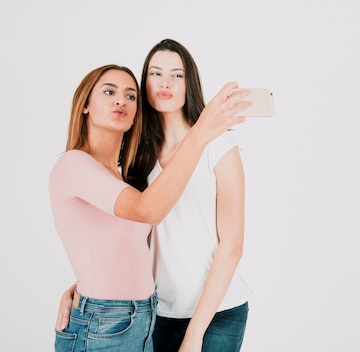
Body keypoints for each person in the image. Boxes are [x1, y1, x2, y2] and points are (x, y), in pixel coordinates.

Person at [50, 64, 248, 351]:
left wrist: (78, 288)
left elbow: (120, 250)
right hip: (105, 322)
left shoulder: (123, 174)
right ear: (85, 106)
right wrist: (202, 130)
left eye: (131, 96)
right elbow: (148, 211)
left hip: (143, 318)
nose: (121, 100)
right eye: (109, 92)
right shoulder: (73, 164)